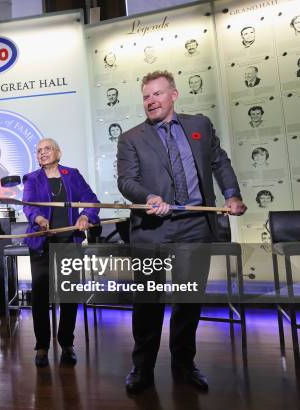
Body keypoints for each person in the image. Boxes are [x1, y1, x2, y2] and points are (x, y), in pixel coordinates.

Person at [117, 70, 246, 394]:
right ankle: (142, 367)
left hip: (194, 228)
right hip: (153, 231)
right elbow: (126, 180)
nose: (151, 101)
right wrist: (148, 197)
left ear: (173, 95)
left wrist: (231, 194)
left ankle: (184, 364)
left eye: (157, 94)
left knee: (189, 300)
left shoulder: (199, 125)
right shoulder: (131, 138)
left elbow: (219, 161)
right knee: (148, 302)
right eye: (146, 96)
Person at [22, 137, 100, 367]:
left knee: (69, 296)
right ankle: (42, 346)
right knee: (40, 297)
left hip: (69, 243)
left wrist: (86, 216)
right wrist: (38, 219)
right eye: (39, 151)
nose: (42, 153)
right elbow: (28, 205)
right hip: (42, 245)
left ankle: (67, 343)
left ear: (59, 152)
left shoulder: (72, 175)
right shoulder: (32, 178)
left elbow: (91, 201)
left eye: (47, 149)